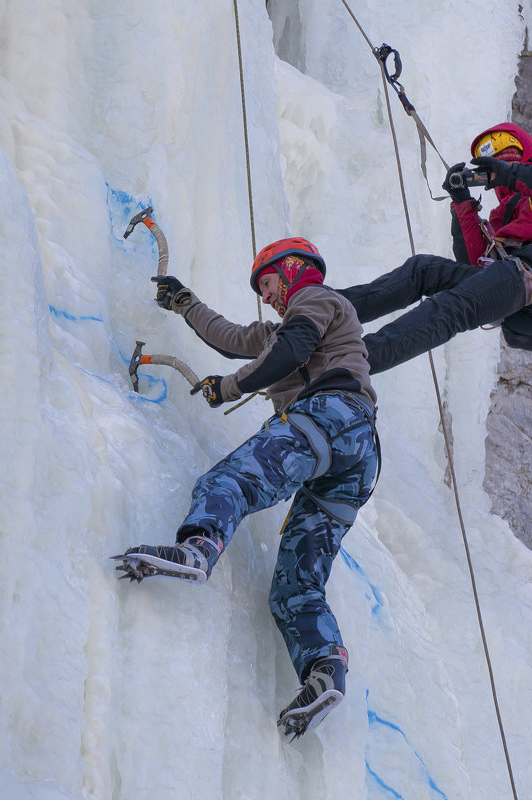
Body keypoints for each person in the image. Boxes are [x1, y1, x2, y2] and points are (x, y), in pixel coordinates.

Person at [112, 238, 380, 741]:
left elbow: (294, 347)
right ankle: (325, 671)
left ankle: (197, 550)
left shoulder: (318, 299)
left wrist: (230, 387)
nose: (269, 296)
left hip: (331, 418)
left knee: (228, 480)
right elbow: (232, 337)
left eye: (270, 283)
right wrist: (185, 303)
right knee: (294, 588)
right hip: (355, 460)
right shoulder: (284, 326)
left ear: (295, 270)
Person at [338, 122, 532, 372]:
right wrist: (463, 203)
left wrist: (513, 175)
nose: (502, 155)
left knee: (451, 308)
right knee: (424, 270)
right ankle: (330, 310)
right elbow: (476, 268)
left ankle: (344, 366)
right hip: (520, 294)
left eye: (507, 147)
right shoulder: (503, 215)